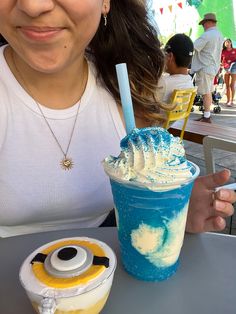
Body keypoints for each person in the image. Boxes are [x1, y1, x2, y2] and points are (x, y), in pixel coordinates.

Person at [0, 1, 235, 238]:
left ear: (105, 2)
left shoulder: (128, 92)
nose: (32, 5)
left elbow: (145, 201)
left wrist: (170, 207)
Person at [190, 13, 224, 123]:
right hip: (212, 67)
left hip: (204, 67)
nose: (203, 26)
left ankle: (207, 116)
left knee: (206, 93)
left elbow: (193, 46)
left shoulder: (207, 35)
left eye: (203, 23)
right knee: (208, 92)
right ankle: (206, 115)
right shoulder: (219, 34)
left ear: (208, 22)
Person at [157, 33, 194, 102]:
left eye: (164, 54)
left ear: (170, 56)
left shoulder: (163, 83)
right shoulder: (189, 82)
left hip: (158, 113)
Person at [221, 38, 236, 107]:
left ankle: (231, 101)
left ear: (231, 43)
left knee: (231, 85)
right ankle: (227, 100)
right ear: (224, 44)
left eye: (228, 42)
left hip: (234, 68)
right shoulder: (222, 51)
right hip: (225, 69)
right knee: (226, 85)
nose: (227, 43)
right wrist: (223, 66)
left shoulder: (235, 50)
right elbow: (220, 61)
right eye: (226, 42)